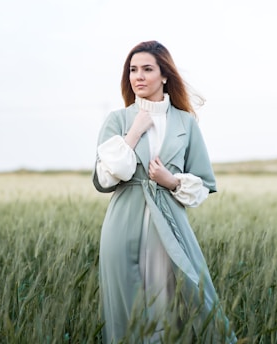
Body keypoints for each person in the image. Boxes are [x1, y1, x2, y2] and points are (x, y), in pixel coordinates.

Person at [92, 41, 237, 343]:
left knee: (167, 307)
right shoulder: (118, 120)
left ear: (165, 75)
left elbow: (203, 184)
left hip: (169, 226)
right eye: (133, 70)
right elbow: (105, 178)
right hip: (122, 227)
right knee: (126, 312)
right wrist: (134, 132)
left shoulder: (186, 123)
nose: (138, 77)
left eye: (147, 69)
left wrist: (170, 181)